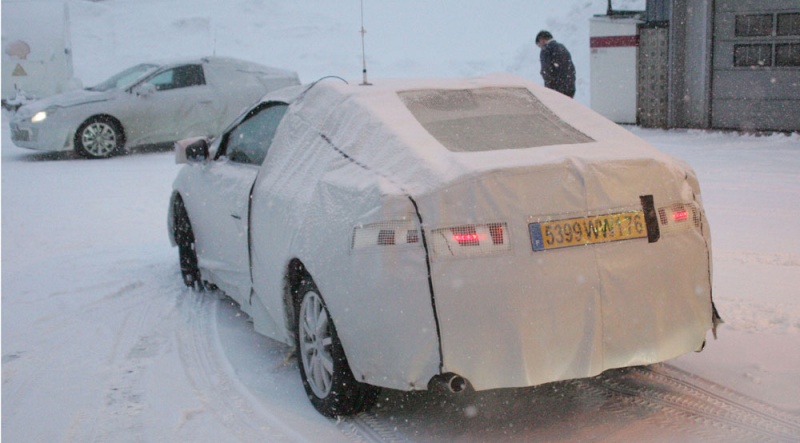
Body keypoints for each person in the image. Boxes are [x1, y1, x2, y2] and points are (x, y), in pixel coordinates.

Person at [536, 30, 576, 98]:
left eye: (539, 45)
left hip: (556, 89)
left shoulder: (546, 49)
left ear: (542, 40)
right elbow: (571, 68)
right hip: (569, 88)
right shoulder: (562, 47)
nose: (540, 47)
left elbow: (547, 70)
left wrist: (549, 89)